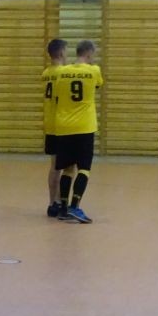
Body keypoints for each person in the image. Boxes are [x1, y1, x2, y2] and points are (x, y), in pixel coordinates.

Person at [53, 40, 103, 224]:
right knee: (84, 168)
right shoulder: (94, 70)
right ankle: (75, 206)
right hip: (84, 126)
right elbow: (97, 86)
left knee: (67, 168)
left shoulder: (61, 72)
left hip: (64, 126)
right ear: (89, 53)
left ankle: (63, 208)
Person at [41, 38, 67, 217]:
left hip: (49, 124)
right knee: (67, 167)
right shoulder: (63, 73)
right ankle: (61, 201)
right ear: (61, 52)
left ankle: (52, 203)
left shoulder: (46, 73)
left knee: (54, 166)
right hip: (62, 124)